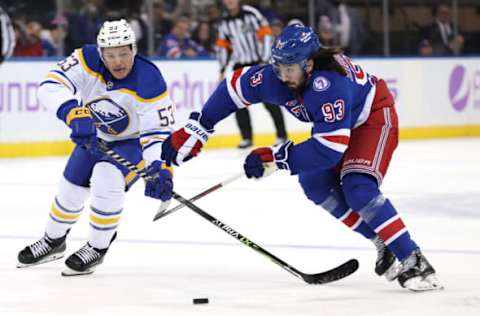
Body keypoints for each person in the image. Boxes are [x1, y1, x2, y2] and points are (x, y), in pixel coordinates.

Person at [159, 24, 443, 292]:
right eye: (278, 67)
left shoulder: (328, 85)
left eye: (290, 69)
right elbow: (233, 87)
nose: (283, 76)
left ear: (309, 63)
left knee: (358, 188)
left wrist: (276, 156)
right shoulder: (278, 75)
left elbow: (329, 149)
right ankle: (381, 239)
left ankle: (414, 259)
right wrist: (200, 126)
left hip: (372, 119)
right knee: (313, 182)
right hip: (342, 127)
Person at [17, 19, 175, 276]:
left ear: (133, 50)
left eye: (124, 53)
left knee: (106, 178)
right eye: (111, 55)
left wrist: (159, 166)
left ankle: (97, 247)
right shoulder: (87, 58)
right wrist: (73, 113)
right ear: (101, 53)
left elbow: (156, 132)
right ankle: (53, 241)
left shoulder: (150, 79)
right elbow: (50, 85)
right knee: (70, 187)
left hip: (132, 142)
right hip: (94, 135)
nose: (118, 61)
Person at [216, 0, 287, 149]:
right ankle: (246, 138)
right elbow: (223, 47)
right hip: (240, 65)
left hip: (258, 62)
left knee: (270, 101)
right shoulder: (224, 22)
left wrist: (265, 59)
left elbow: (267, 35)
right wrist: (222, 68)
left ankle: (282, 135)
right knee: (238, 102)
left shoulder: (251, 13)